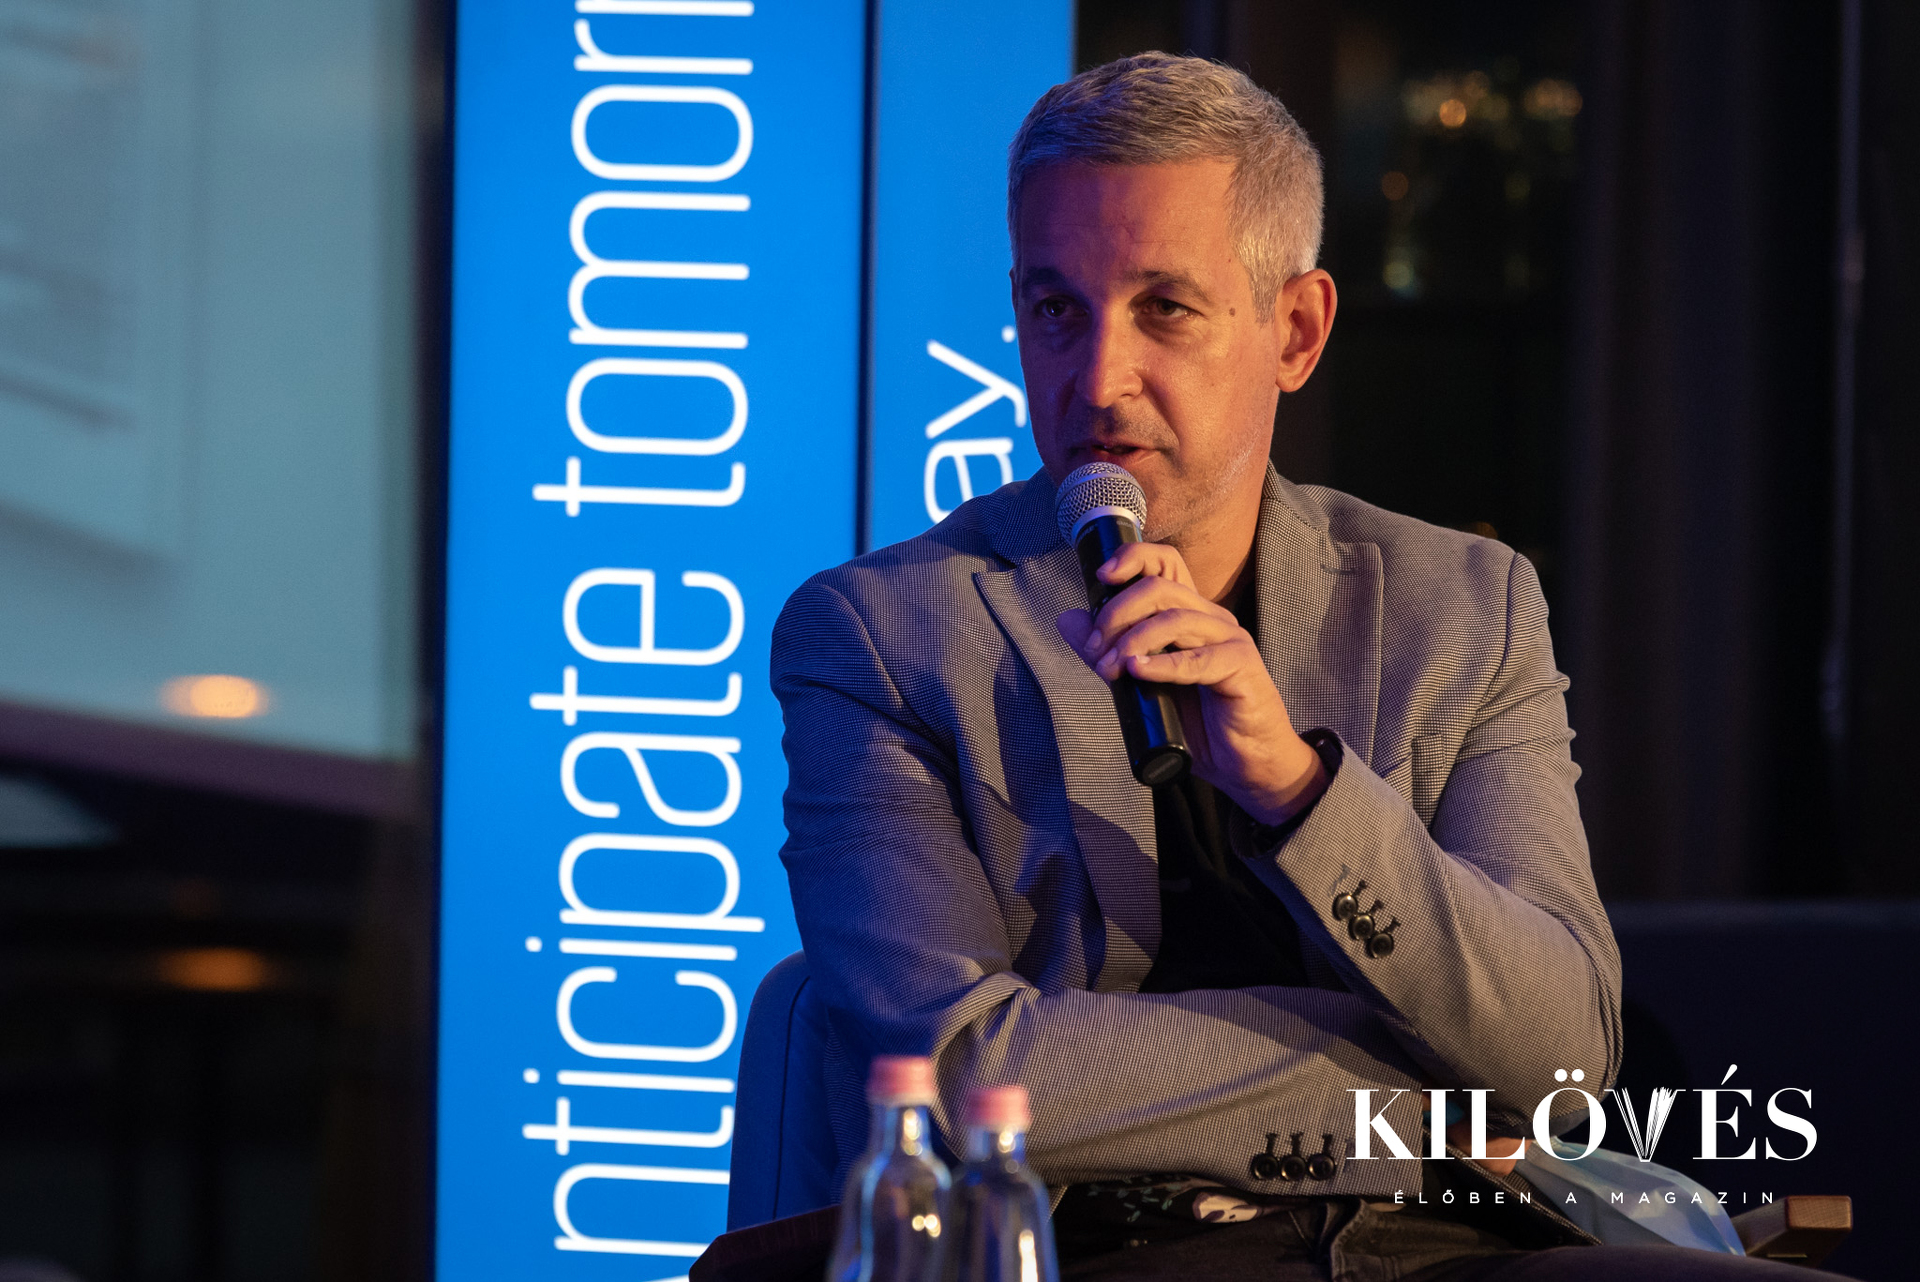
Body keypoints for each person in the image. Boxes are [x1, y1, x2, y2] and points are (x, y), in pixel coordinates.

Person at [771, 53, 1847, 1281]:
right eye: (1056, 308)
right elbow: (960, 1072)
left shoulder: (1465, 605)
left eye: (1164, 309)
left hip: (1455, 1247)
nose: (1096, 380)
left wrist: (1299, 788)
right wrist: (1401, 1109)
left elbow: (1557, 1059)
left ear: (1295, 330)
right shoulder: (881, 636)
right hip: (1111, 1246)